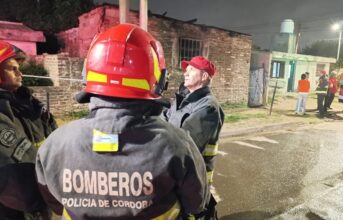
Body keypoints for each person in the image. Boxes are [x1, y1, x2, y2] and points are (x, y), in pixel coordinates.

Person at [35, 24, 208, 219]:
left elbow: (55, 204)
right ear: (158, 80)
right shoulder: (177, 143)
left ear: (88, 75)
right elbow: (196, 203)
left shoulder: (54, 144)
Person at [0, 40, 57, 219]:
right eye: (12, 69)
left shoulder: (31, 106)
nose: (20, 73)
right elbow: (15, 176)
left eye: (18, 68)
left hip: (42, 204)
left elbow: (56, 145)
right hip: (16, 211)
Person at [164, 56, 224, 219]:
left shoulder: (208, 107)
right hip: (177, 175)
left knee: (192, 213)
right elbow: (163, 121)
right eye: (186, 68)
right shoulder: (181, 100)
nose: (185, 72)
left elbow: (185, 147)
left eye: (191, 69)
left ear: (204, 77)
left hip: (193, 177)